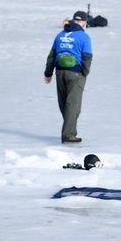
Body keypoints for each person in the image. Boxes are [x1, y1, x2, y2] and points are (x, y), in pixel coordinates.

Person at [44, 10, 93, 144]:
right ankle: (68, 135)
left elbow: (52, 56)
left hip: (60, 72)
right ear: (83, 23)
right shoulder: (84, 37)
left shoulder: (60, 35)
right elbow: (87, 57)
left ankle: (70, 130)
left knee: (64, 103)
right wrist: (85, 72)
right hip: (76, 73)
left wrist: (48, 73)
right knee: (73, 105)